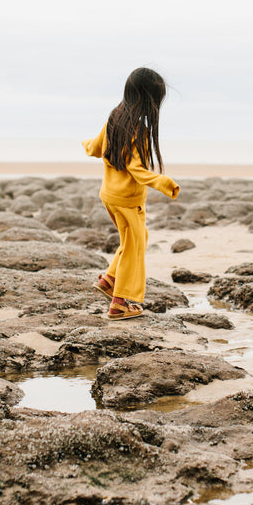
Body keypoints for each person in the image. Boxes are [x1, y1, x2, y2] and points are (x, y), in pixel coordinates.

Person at [83, 68, 180, 320]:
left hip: (109, 195)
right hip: (127, 201)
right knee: (134, 247)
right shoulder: (139, 131)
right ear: (149, 100)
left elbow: (95, 147)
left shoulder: (114, 119)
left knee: (136, 239)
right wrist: (163, 182)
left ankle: (109, 280)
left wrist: (85, 144)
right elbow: (137, 170)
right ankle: (121, 302)